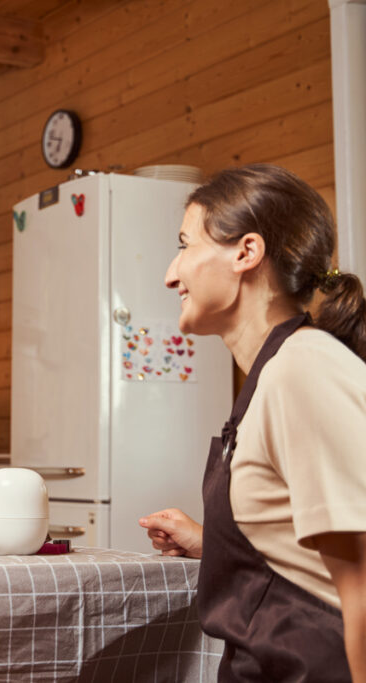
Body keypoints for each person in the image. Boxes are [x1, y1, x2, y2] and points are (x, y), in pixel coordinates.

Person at [138, 164, 366, 682]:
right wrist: (215, 541)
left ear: (246, 253)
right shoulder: (274, 373)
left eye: (185, 246)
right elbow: (301, 550)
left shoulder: (303, 369)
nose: (170, 275)